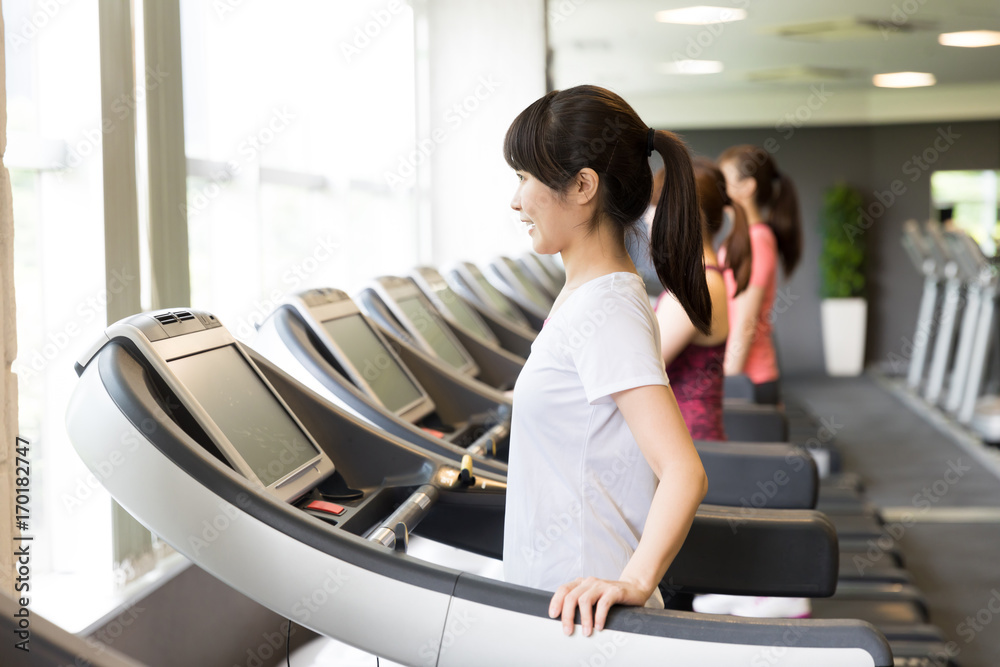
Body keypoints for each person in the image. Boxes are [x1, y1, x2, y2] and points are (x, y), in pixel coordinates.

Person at [502, 85, 710, 637]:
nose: (516, 200)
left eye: (525, 177)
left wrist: (635, 583)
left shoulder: (607, 307)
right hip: (562, 602)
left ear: (583, 186)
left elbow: (684, 471)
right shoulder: (590, 294)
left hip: (583, 612)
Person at [655, 159, 751, 441]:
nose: (649, 218)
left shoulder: (700, 286)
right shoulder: (702, 279)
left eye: (656, 207)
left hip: (690, 445)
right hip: (686, 440)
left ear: (681, 215)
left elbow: (636, 369)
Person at [717, 145, 803, 405]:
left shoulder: (757, 241)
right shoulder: (744, 239)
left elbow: (745, 323)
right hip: (745, 375)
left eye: (724, 181)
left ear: (747, 187)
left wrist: (726, 382)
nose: (718, 188)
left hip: (750, 379)